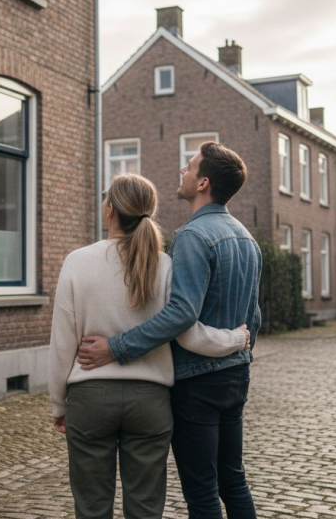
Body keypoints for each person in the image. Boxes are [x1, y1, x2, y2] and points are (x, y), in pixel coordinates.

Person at [49, 173, 249, 519]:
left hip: (90, 399)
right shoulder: (166, 265)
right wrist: (236, 338)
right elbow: (188, 333)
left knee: (92, 506)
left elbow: (61, 343)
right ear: (149, 213)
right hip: (151, 402)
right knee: (145, 509)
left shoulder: (77, 262)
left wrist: (58, 403)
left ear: (109, 210)